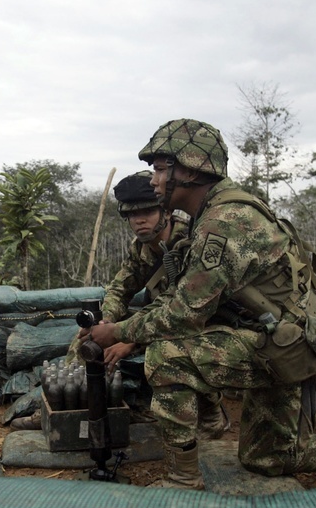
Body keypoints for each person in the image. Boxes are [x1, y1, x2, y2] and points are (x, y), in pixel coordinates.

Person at [88, 119, 316, 488]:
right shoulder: (216, 212)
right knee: (267, 458)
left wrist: (117, 332)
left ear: (186, 170)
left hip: (286, 346)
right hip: (277, 339)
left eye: (158, 169)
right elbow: (181, 295)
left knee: (168, 356)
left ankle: (182, 481)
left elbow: (183, 314)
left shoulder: (224, 222)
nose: (153, 181)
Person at [69, 171, 229, 439]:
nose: (139, 220)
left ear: (165, 211)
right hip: (154, 319)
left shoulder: (191, 242)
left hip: (201, 321)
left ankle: (211, 409)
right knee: (86, 336)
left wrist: (130, 340)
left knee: (170, 349)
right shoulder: (141, 248)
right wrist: (106, 322)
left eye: (147, 212)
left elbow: (186, 312)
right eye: (132, 215)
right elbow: (120, 289)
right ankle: (82, 405)